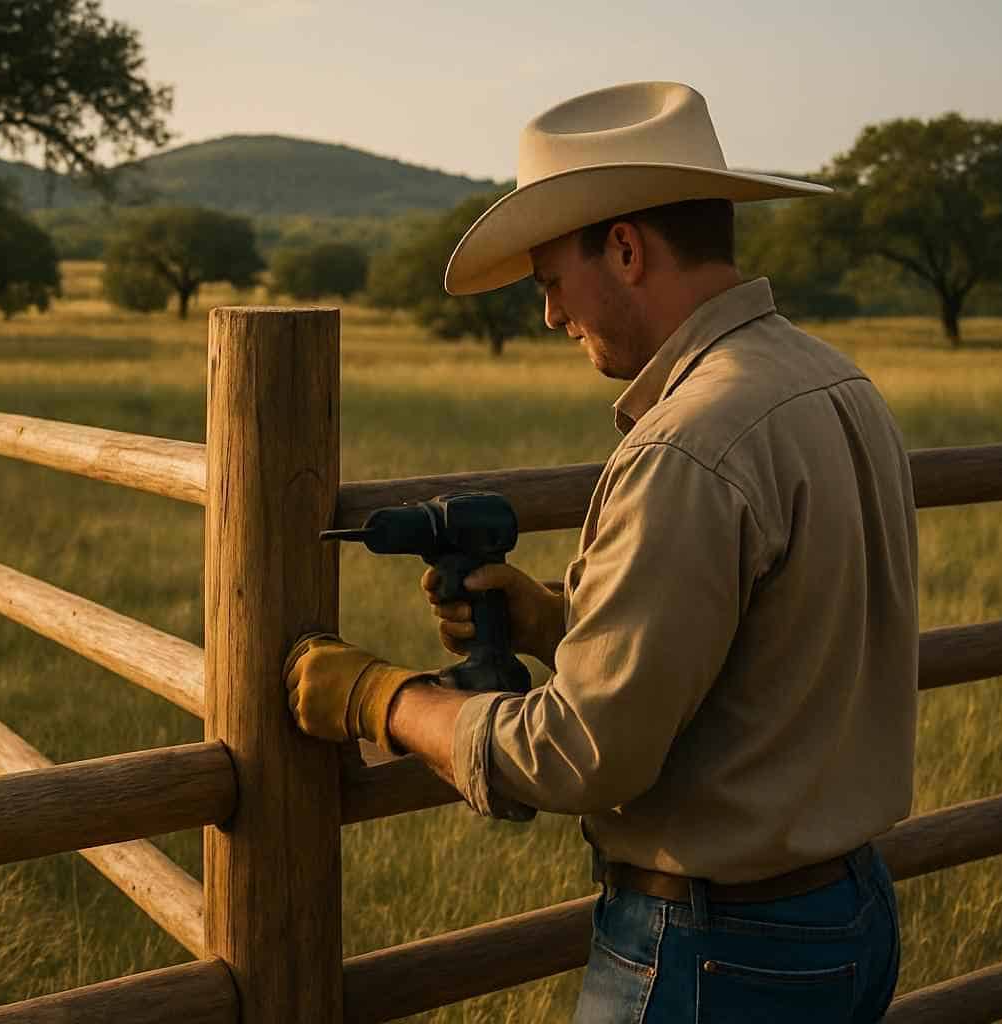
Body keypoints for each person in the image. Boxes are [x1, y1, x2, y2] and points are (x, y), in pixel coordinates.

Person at [284, 81, 917, 1022]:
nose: (550, 315)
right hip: (849, 914)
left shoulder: (686, 444)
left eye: (549, 280)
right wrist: (559, 623)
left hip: (719, 954)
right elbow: (774, 647)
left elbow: (580, 756)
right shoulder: (837, 382)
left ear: (624, 248)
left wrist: (378, 697)